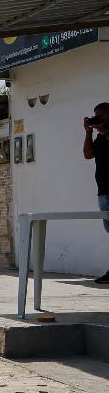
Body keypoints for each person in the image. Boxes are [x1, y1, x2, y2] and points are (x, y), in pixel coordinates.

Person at [82, 102, 109, 284]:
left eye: (101, 115)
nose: (97, 119)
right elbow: (88, 155)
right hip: (104, 192)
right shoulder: (100, 136)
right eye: (95, 115)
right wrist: (89, 132)